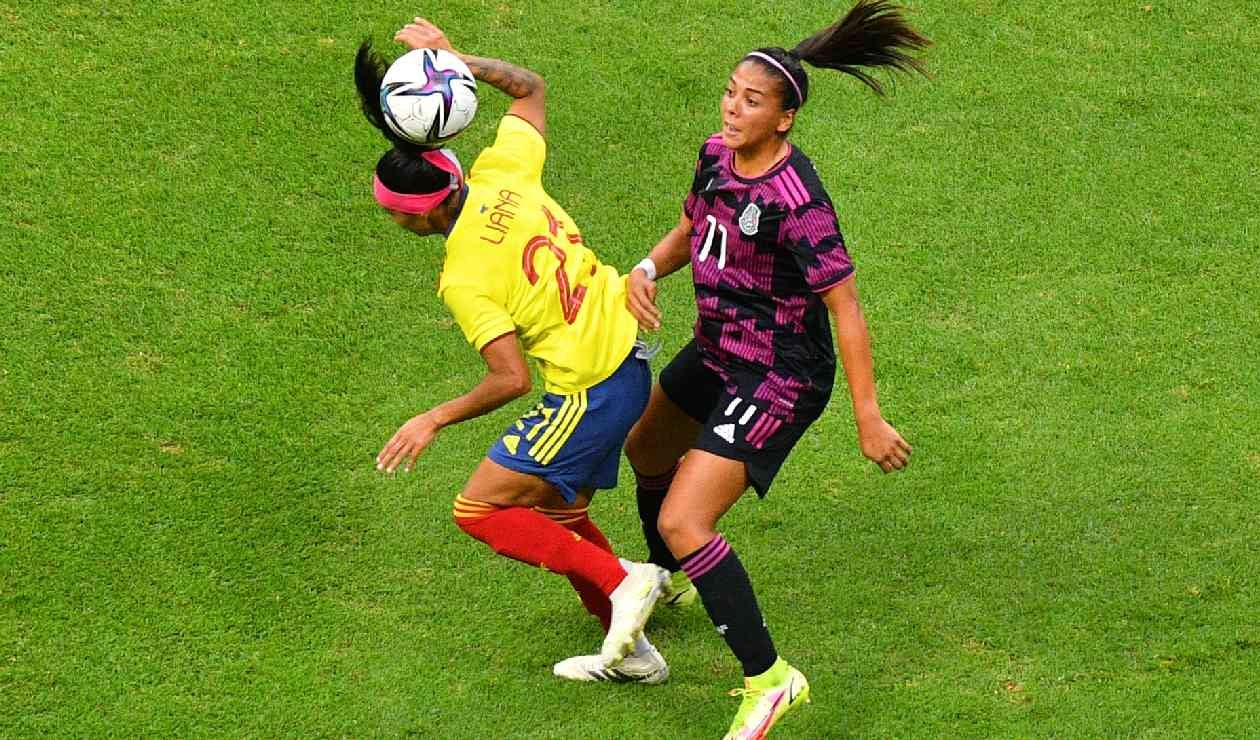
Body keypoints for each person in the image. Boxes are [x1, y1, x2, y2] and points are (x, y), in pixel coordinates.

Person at [622, 1, 928, 736]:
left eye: (751, 101)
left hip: (779, 375)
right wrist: (646, 266)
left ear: (784, 118)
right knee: (647, 447)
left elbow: (845, 307)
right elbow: (696, 223)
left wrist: (868, 415)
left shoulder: (798, 201)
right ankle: (672, 581)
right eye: (730, 91)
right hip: (719, 346)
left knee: (686, 517)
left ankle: (771, 680)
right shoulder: (714, 155)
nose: (732, 107)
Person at [356, 17, 669, 683]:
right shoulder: (502, 172)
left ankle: (627, 583)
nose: (392, 221)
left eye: (392, 213)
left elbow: (509, 379)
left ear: (421, 214)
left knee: (480, 509)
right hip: (628, 355)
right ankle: (634, 649)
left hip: (590, 389)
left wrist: (432, 418)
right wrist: (455, 59)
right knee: (560, 511)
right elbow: (529, 89)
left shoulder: (463, 276)